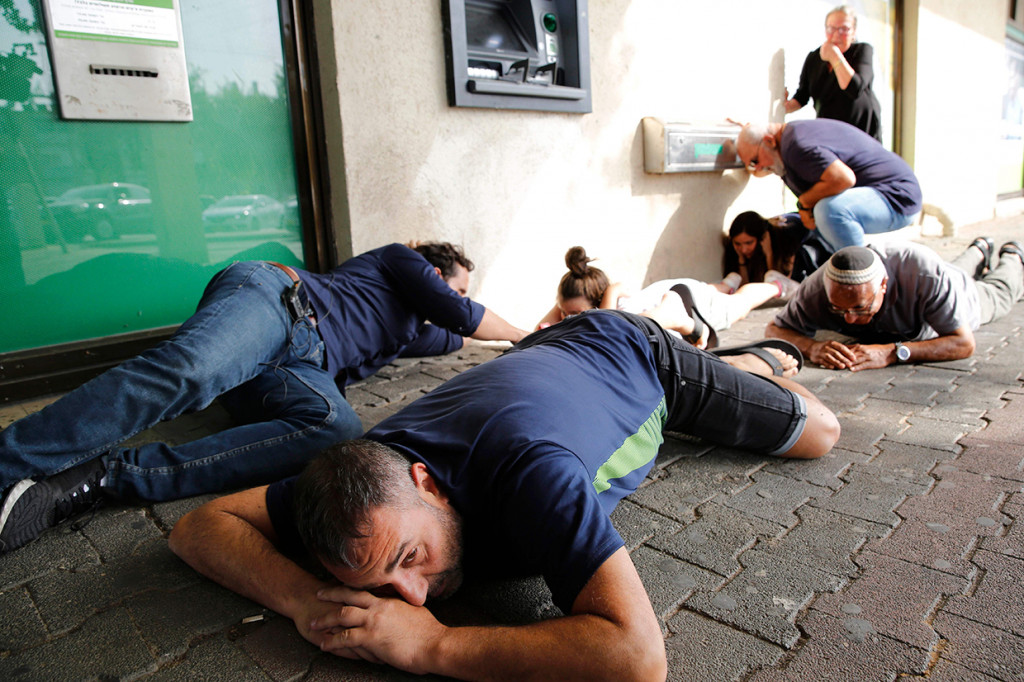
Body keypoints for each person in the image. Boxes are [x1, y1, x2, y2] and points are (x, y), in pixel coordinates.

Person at [168, 309, 841, 680]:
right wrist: (304, 601)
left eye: (408, 558)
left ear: (425, 483)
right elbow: (196, 526)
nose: (410, 596)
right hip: (546, 357)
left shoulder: (531, 475)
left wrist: (433, 647)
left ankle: (762, 362)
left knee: (820, 431)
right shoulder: (358, 488)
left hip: (639, 355)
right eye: (376, 585)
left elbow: (637, 657)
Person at [0, 242, 529, 555]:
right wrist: (527, 334)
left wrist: (552, 327)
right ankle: (10, 461)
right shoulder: (400, 260)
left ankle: (102, 477)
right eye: (459, 288)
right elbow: (466, 319)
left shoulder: (411, 330)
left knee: (336, 430)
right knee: (191, 372)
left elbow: (458, 337)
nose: (458, 299)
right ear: (437, 275)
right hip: (277, 304)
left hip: (299, 368)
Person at [765, 239, 1024, 371]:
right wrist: (811, 347)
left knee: (1000, 292)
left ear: (884, 286)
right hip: (937, 283)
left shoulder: (924, 273)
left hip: (962, 294)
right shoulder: (817, 286)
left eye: (861, 308)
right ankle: (979, 249)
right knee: (949, 272)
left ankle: (1012, 255)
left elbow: (963, 343)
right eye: (838, 309)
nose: (850, 320)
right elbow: (774, 329)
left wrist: (891, 352)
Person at [536, 246, 793, 350]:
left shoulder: (623, 312)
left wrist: (613, 292)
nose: (566, 320)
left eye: (575, 315)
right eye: (563, 313)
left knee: (739, 306)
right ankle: (728, 281)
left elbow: (609, 326)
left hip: (689, 301)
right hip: (678, 289)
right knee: (717, 290)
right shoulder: (589, 303)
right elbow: (537, 331)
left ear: (598, 303)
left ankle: (776, 285)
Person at [736, 119, 922, 251]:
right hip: (882, 194)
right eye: (752, 165)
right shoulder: (785, 143)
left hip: (896, 197)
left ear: (769, 140)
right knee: (814, 220)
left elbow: (843, 179)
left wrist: (805, 201)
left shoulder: (798, 147)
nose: (757, 168)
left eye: (755, 160)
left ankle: (860, 277)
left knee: (829, 211)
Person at [784, 5, 883, 142]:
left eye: (844, 29)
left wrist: (835, 56)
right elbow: (802, 96)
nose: (837, 34)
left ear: (854, 32)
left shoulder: (862, 51)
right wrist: (785, 106)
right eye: (831, 28)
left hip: (861, 133)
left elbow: (854, 88)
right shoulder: (814, 58)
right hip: (829, 132)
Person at [721, 211, 830, 290]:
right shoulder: (735, 249)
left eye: (749, 243)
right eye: (738, 243)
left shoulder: (785, 238)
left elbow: (779, 283)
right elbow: (743, 285)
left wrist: (769, 254)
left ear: (761, 238)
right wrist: (741, 260)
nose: (744, 249)